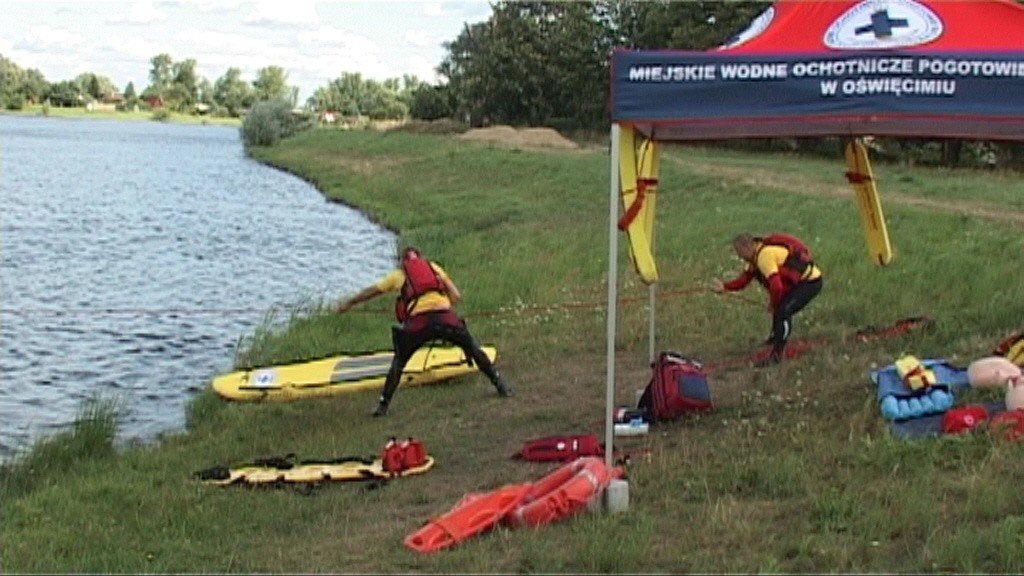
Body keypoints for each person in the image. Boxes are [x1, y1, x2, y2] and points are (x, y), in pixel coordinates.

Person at [335, 246, 512, 416]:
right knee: (473, 347)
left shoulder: (399, 275)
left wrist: (349, 303)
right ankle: (500, 384)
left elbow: (372, 291)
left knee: (399, 361)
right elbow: (456, 296)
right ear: (419, 256)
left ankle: (383, 404)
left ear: (402, 261)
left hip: (419, 324)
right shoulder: (433, 267)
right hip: (445, 318)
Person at [711, 233, 823, 365]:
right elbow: (744, 280)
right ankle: (775, 338)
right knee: (780, 307)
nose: (738, 256)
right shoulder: (754, 257)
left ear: (746, 247)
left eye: (738, 252)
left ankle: (777, 355)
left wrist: (773, 304)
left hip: (811, 282)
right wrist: (725, 287)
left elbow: (777, 287)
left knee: (783, 311)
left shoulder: (764, 257)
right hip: (801, 282)